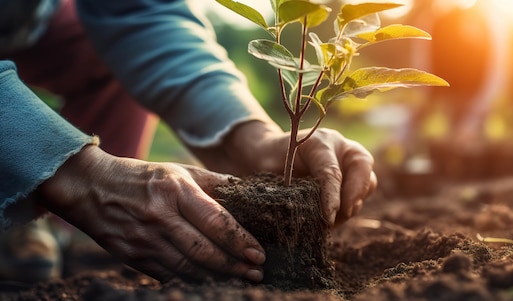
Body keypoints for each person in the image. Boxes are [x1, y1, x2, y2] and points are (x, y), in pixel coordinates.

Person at [0, 0, 377, 284]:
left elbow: (143, 15)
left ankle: (45, 218)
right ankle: (30, 197)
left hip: (27, 20)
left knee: (114, 59)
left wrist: (251, 136)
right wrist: (79, 177)